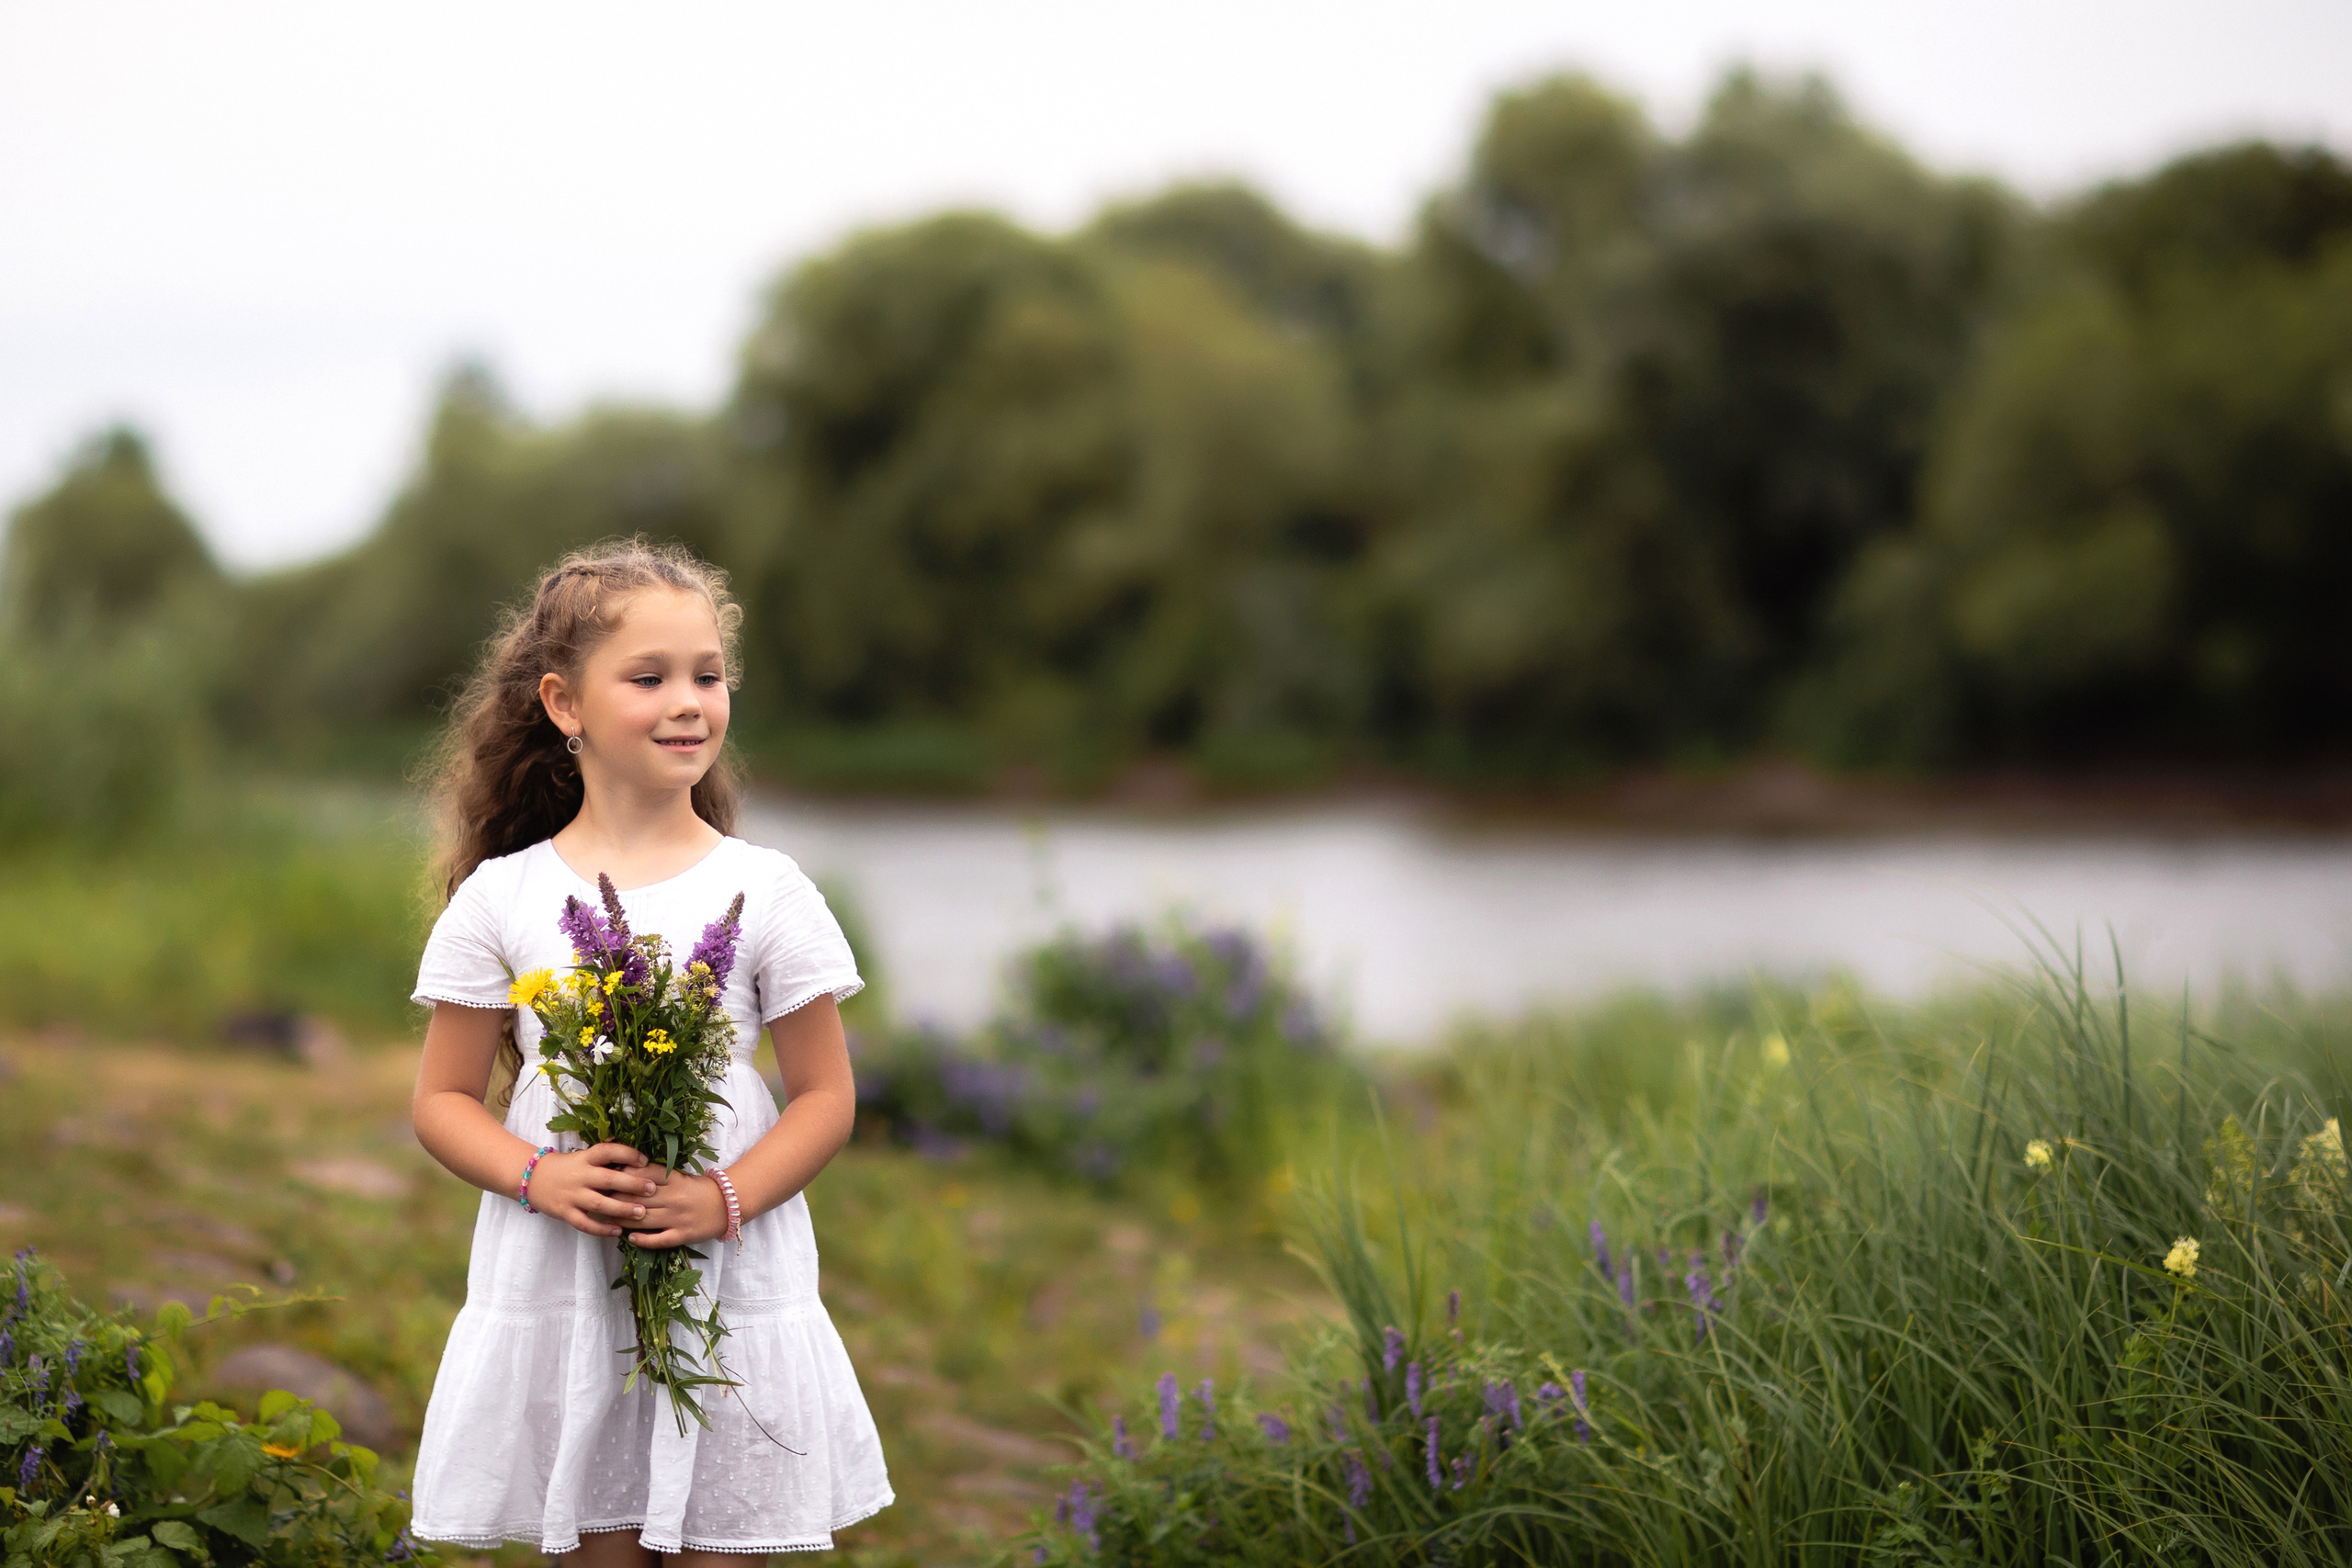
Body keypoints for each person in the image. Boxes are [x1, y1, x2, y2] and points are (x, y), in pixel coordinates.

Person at [407, 539, 891, 1563]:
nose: (688, 703)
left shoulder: (768, 889)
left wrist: (723, 1199)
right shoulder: (503, 896)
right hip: (566, 1280)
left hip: (727, 1281)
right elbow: (443, 1100)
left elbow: (825, 1097)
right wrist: (538, 1175)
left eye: (708, 676)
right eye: (649, 678)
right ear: (564, 704)